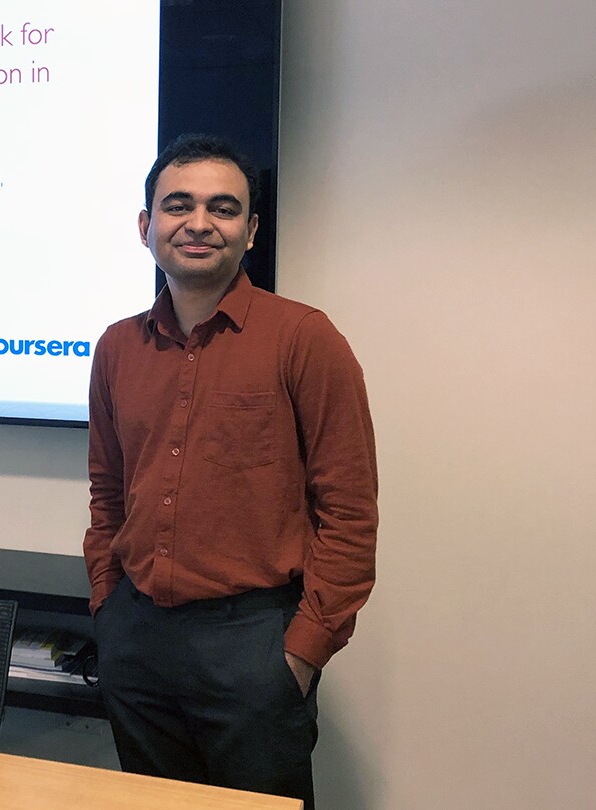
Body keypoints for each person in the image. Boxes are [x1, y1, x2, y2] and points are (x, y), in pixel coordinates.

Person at [83, 134, 378, 808]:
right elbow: (107, 492)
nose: (198, 223)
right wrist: (108, 603)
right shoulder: (117, 347)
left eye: (222, 208)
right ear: (146, 226)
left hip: (254, 644)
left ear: (250, 231)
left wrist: (302, 651)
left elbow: (349, 510)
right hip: (137, 635)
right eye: (177, 205)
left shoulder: (305, 339)